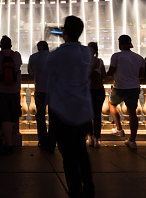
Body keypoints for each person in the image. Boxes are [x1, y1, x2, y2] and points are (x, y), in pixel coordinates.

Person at [46, 16, 94, 198]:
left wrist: (58, 33)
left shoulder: (57, 55)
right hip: (83, 110)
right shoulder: (87, 52)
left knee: (69, 157)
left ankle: (75, 192)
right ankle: (89, 188)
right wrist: (65, 33)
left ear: (64, 31)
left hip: (63, 112)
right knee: (81, 151)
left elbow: (49, 67)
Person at [107, 35, 145, 149]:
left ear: (120, 44)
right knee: (132, 113)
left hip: (120, 87)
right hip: (134, 87)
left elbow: (110, 72)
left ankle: (119, 129)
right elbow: (142, 75)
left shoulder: (116, 56)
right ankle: (132, 140)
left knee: (111, 103)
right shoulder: (139, 58)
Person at [0, 35, 22, 155]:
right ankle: (7, 142)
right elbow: (18, 67)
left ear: (0, 45)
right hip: (14, 90)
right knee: (14, 116)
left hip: (0, 90)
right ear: (11, 45)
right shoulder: (17, 55)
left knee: (5, 117)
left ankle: (4, 139)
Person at [28, 40, 55, 151]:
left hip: (39, 90)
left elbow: (30, 72)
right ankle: (52, 142)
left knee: (40, 115)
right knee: (53, 117)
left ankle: (42, 140)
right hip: (53, 91)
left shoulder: (33, 57)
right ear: (47, 48)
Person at [87, 42, 106, 148]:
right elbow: (104, 76)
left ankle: (89, 137)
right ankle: (97, 139)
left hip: (87, 91)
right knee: (97, 115)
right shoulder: (99, 62)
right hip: (99, 90)